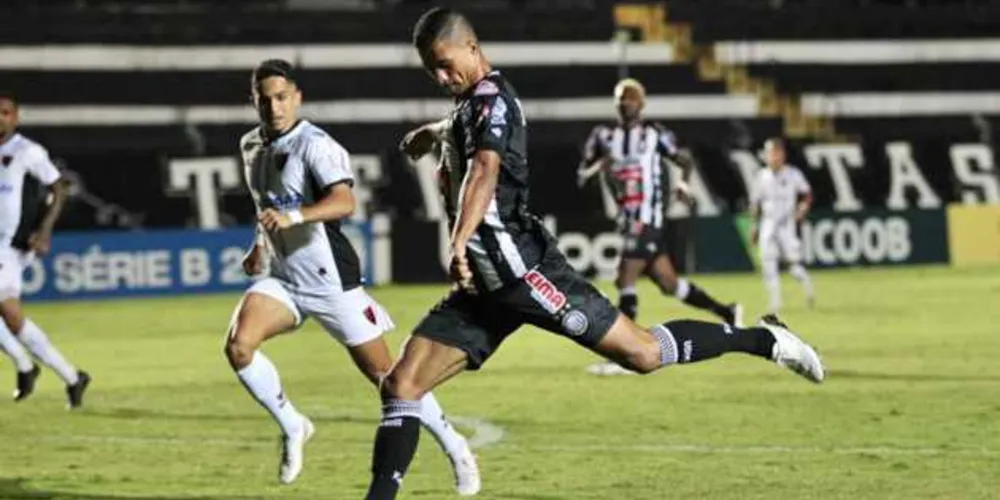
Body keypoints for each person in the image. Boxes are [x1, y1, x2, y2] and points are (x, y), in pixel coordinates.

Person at [362, 8, 826, 499]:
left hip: (525, 272)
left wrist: (458, 238)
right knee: (402, 386)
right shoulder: (468, 105)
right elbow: (468, 125)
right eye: (430, 70)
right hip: (484, 288)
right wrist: (434, 132)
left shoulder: (494, 99)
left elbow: (484, 170)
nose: (440, 77)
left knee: (643, 354)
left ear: (472, 48)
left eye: (444, 63)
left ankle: (764, 339)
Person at [225, 60, 479, 493]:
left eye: (282, 97)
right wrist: (258, 246)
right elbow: (265, 202)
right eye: (264, 99)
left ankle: (455, 446)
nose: (274, 106)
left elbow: (344, 203)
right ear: (254, 101)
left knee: (393, 379)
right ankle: (294, 425)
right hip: (285, 280)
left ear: (297, 97)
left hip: (331, 282)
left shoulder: (317, 145)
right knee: (239, 345)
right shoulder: (251, 144)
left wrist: (295, 215)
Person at [578, 78, 743, 376]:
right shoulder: (603, 136)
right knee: (669, 284)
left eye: (630, 99)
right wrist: (596, 169)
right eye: (620, 99)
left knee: (625, 277)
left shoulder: (654, 134)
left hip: (648, 217)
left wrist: (682, 182)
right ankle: (727, 311)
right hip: (628, 218)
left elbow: (684, 160)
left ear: (641, 103)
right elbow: (582, 175)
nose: (625, 104)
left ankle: (626, 356)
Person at [0, 91, 91, 408]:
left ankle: (28, 367)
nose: (1, 117)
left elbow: (58, 187)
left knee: (10, 315)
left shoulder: (27, 151)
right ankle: (70, 376)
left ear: (16, 117)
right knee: (10, 318)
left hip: (9, 245)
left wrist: (43, 231)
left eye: (6, 112)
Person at [750, 138, 815, 314]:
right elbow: (756, 203)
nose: (773, 157)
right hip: (768, 224)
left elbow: (807, 194)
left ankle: (807, 285)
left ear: (783, 155)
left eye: (776, 153)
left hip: (787, 225)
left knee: (793, 265)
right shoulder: (761, 176)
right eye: (770, 153)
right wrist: (754, 226)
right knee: (768, 263)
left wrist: (802, 208)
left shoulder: (793, 174)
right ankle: (775, 303)